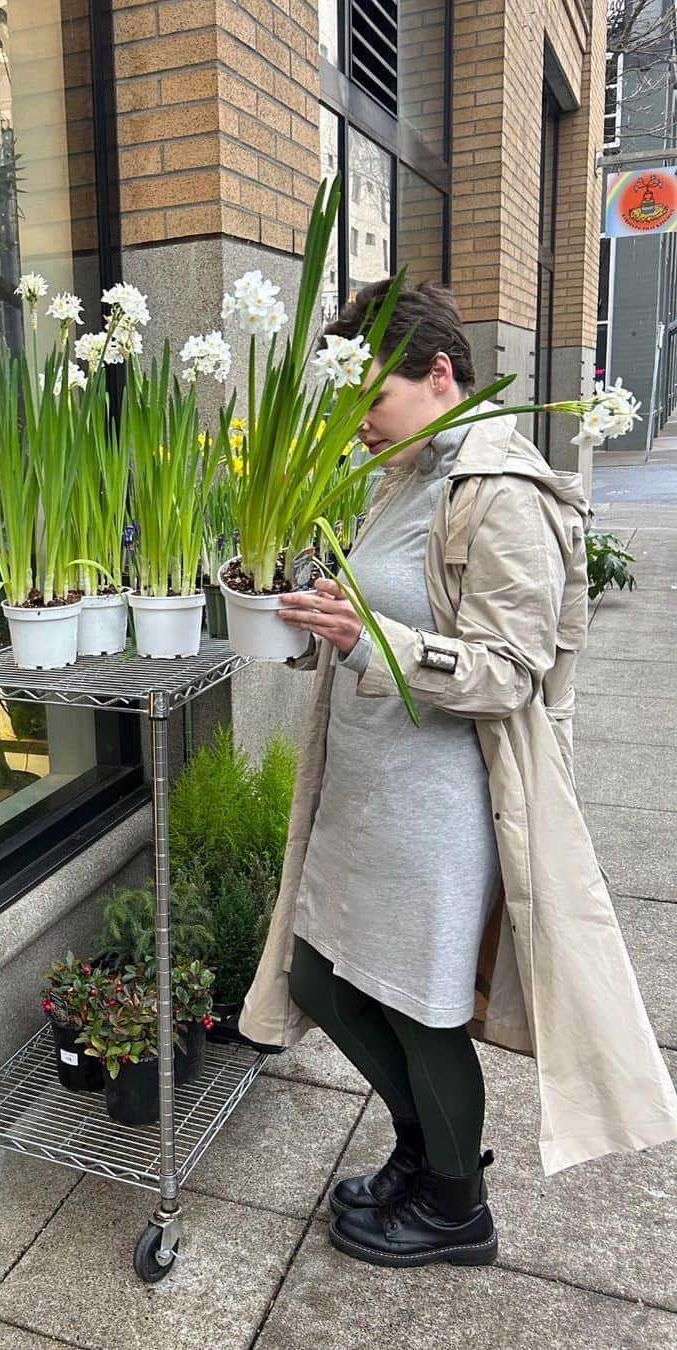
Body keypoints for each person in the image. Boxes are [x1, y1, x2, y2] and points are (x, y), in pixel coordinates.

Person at [238, 278, 677, 1270]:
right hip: (365, 793)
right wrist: (314, 619)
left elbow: (514, 673)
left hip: (438, 807)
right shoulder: (405, 473)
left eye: (370, 403)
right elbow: (382, 616)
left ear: (442, 373)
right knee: (321, 975)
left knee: (413, 1002)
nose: (356, 427)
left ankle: (455, 1206)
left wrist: (367, 639)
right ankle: (425, 1149)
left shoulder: (502, 492)